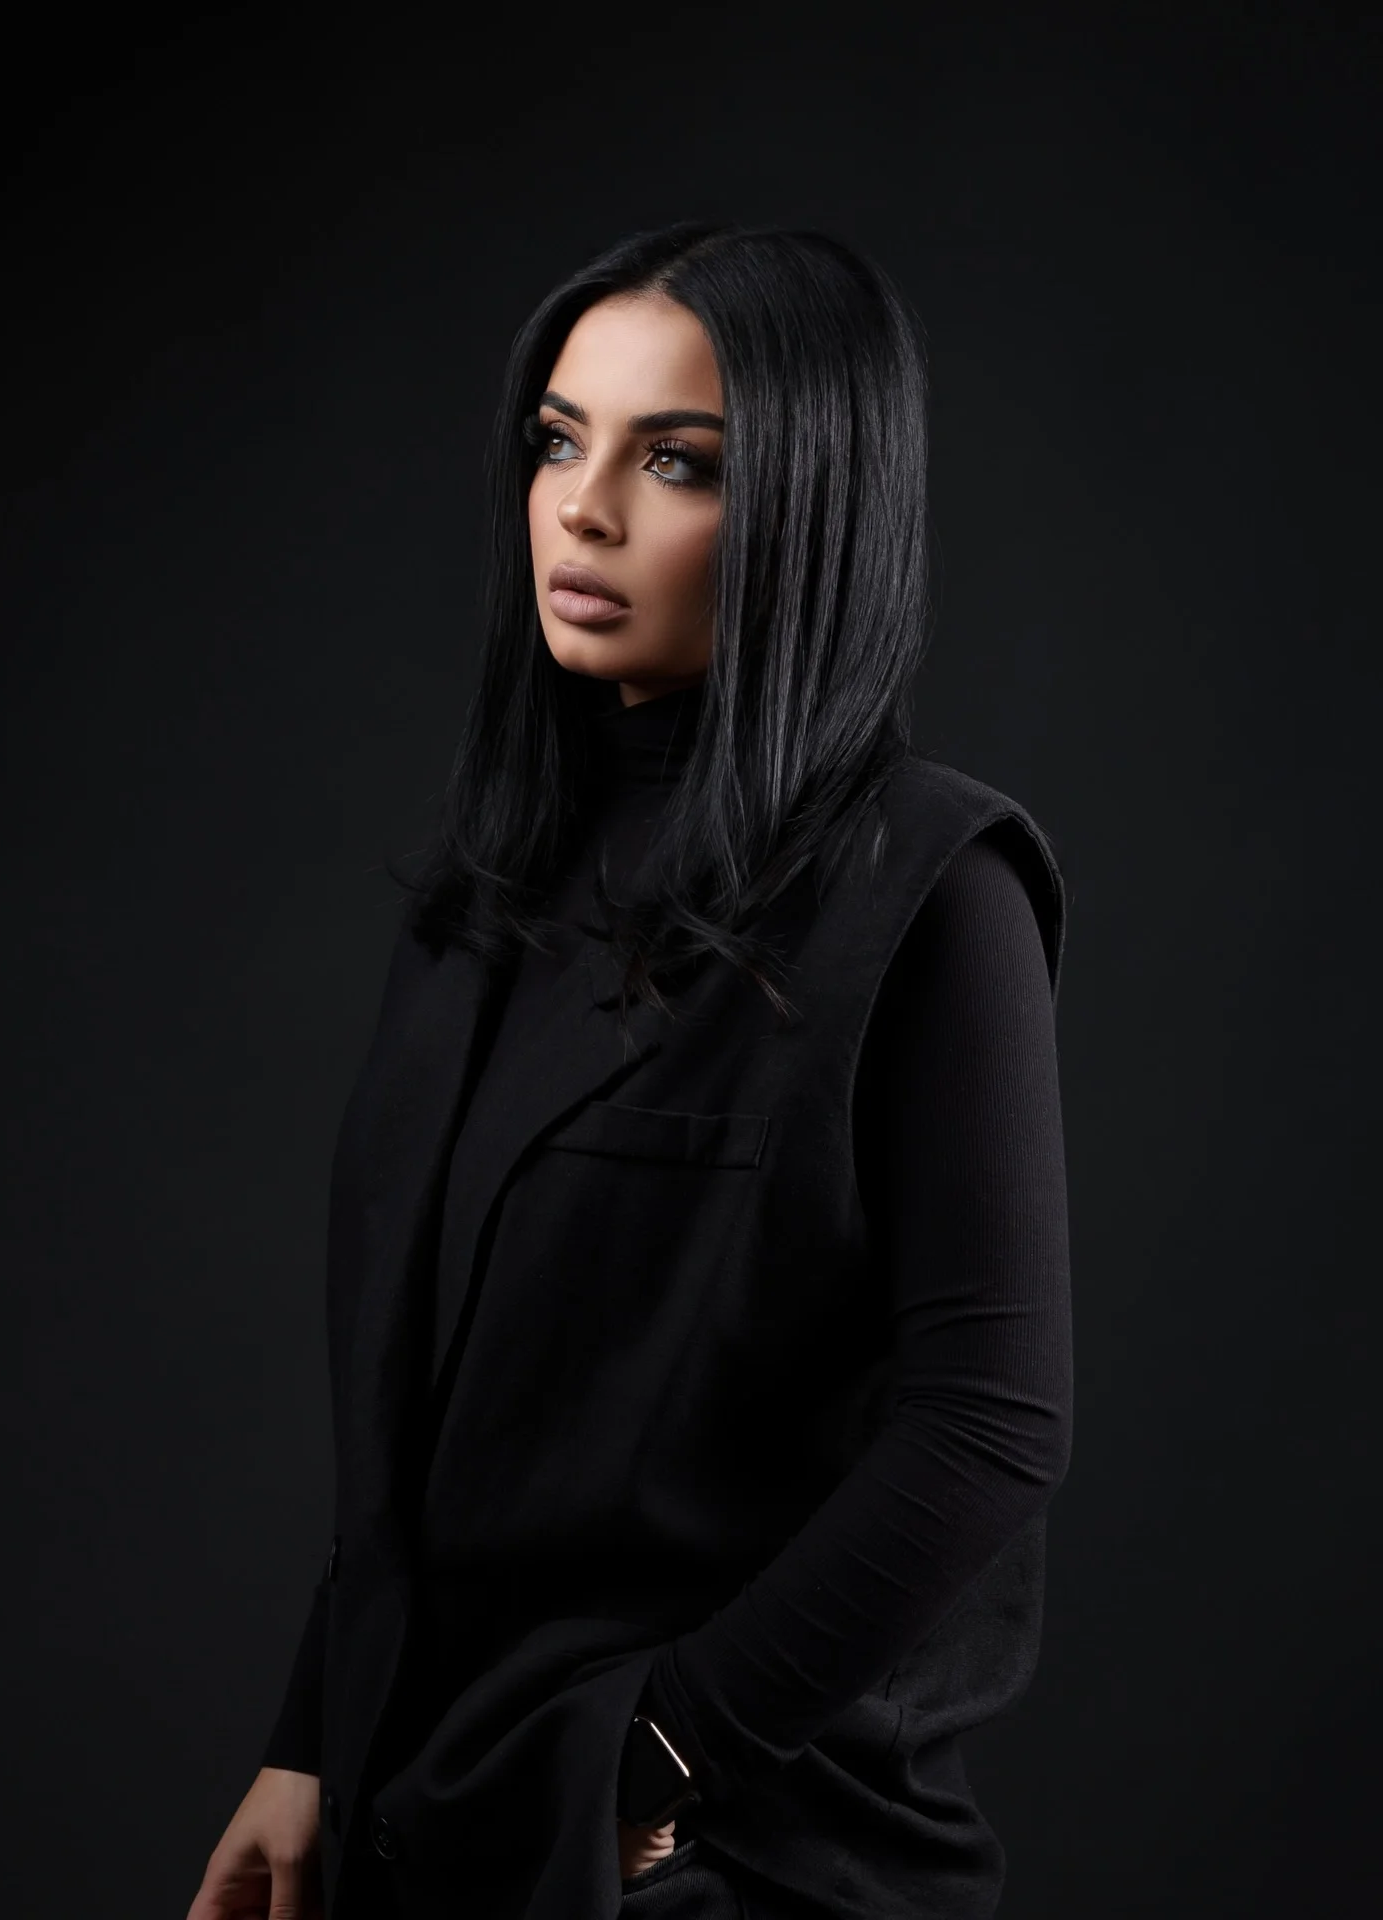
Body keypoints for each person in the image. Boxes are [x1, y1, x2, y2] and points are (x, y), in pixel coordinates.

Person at [187, 222, 1072, 1920]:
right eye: (557, 439)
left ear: (810, 506)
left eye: (677, 462)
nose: (582, 510)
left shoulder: (929, 887)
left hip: (731, 1856)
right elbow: (430, 1411)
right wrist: (312, 1739)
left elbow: (990, 1425)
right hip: (425, 1807)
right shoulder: (489, 890)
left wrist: (661, 1761)